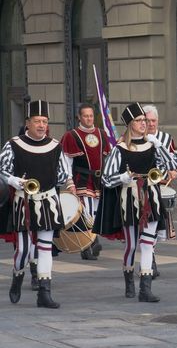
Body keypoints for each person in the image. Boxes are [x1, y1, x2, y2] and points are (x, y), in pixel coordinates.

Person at [93, 102, 177, 302]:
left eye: (145, 120)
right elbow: (106, 178)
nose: (144, 124)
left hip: (151, 196)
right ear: (131, 124)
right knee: (132, 245)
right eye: (139, 121)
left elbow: (173, 165)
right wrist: (122, 178)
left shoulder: (153, 145)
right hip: (129, 198)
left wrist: (160, 145)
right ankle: (129, 281)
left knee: (148, 244)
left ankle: (145, 289)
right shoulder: (120, 148)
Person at [0, 99, 68, 309]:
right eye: (37, 121)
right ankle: (18, 276)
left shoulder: (55, 146)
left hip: (48, 200)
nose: (41, 125)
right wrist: (15, 181)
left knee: (45, 248)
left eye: (44, 121)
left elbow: (64, 173)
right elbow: (2, 169)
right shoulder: (13, 144)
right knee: (24, 250)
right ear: (27, 122)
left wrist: (65, 180)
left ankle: (44, 293)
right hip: (24, 202)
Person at [60, 103, 110, 260]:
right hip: (82, 178)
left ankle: (87, 246)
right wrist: (69, 182)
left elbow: (107, 158)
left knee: (96, 212)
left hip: (99, 179)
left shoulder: (102, 134)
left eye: (90, 115)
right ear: (79, 117)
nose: (88, 118)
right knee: (86, 212)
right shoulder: (71, 135)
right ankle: (93, 242)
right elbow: (66, 161)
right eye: (85, 116)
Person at [143, 104, 177, 278]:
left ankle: (151, 254)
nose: (151, 124)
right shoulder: (135, 137)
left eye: (153, 120)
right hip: (142, 189)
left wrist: (174, 169)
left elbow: (175, 157)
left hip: (160, 186)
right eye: (147, 120)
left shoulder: (166, 138)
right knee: (145, 227)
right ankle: (149, 259)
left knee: (158, 229)